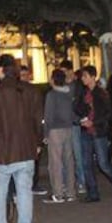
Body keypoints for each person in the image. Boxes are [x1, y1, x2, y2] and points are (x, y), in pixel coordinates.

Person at [0, 54, 42, 223]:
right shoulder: (31, 91)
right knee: (24, 193)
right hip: (25, 150)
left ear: (1, 70)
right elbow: (37, 121)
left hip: (2, 152)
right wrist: (38, 142)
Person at [77, 66, 112, 202]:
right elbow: (77, 108)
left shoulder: (102, 93)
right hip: (85, 131)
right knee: (86, 163)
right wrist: (83, 114)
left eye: (85, 76)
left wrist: (94, 122)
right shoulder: (83, 93)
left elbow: (109, 114)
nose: (83, 79)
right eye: (82, 76)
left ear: (93, 77)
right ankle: (93, 193)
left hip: (99, 131)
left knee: (103, 163)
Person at [42, 68, 77, 203]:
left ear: (53, 80)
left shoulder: (51, 95)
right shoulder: (68, 93)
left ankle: (58, 193)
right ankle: (71, 192)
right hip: (68, 128)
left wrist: (45, 133)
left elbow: (48, 115)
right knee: (69, 161)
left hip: (55, 129)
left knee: (55, 162)